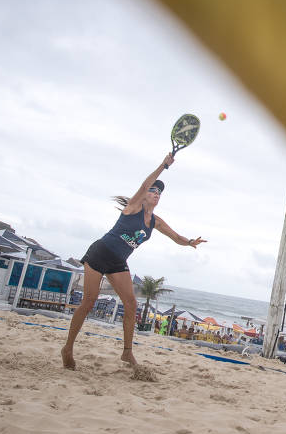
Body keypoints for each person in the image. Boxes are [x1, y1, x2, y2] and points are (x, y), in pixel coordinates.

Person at [61, 153, 206, 369]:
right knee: (89, 301)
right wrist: (163, 166)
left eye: (159, 192)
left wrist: (190, 242)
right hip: (100, 252)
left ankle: (127, 353)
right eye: (153, 191)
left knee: (131, 304)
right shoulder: (134, 207)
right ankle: (68, 348)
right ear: (144, 195)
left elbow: (176, 237)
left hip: (118, 261)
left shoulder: (155, 222)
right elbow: (145, 183)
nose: (156, 193)